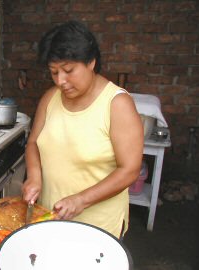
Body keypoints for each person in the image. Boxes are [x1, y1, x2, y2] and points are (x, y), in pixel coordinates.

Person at [22, 20, 144, 239]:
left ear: (91, 63)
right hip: (50, 217)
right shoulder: (50, 98)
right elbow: (33, 143)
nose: (61, 81)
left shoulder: (117, 104)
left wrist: (81, 199)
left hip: (97, 226)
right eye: (54, 72)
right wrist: (34, 176)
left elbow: (130, 170)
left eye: (68, 71)